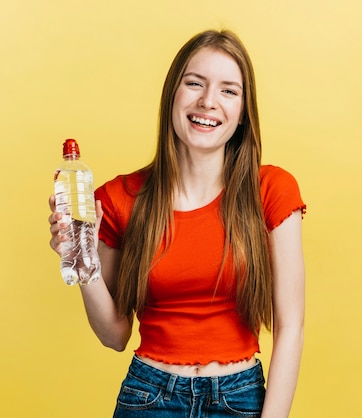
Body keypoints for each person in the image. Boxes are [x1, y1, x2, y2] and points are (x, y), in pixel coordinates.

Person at [48, 29, 306, 418]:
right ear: (172, 95)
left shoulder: (271, 190)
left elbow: (291, 328)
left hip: (240, 400)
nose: (208, 102)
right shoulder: (119, 199)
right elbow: (114, 335)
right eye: (194, 83)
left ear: (242, 113)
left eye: (228, 91)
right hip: (148, 398)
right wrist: (80, 262)